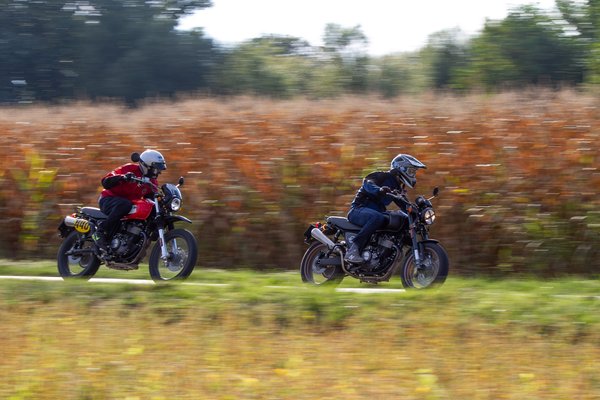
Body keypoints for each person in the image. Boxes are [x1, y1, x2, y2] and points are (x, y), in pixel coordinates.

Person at [345, 154, 426, 263]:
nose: (413, 175)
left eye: (414, 172)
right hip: (358, 209)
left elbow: (404, 205)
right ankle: (353, 250)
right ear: (401, 168)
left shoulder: (397, 188)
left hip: (376, 213)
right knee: (377, 217)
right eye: (411, 171)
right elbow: (367, 183)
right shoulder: (382, 176)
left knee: (403, 219)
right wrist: (379, 190)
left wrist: (417, 212)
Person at [92, 150, 167, 253]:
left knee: (153, 209)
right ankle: (100, 232)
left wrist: (162, 201)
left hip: (127, 205)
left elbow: (152, 197)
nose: (159, 172)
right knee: (125, 204)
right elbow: (105, 181)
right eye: (156, 169)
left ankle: (134, 242)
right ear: (147, 166)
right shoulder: (129, 169)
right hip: (108, 199)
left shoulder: (152, 182)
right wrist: (123, 177)